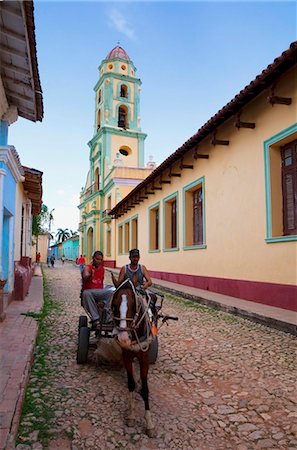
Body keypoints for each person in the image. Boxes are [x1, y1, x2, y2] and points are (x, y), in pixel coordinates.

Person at [81, 251, 114, 328]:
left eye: (101, 260)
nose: (99, 261)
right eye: (97, 259)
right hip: (90, 292)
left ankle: (108, 317)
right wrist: (89, 275)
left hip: (100, 292)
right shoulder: (88, 267)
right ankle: (96, 319)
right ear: (93, 259)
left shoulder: (102, 269)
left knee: (112, 292)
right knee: (86, 293)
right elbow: (85, 276)